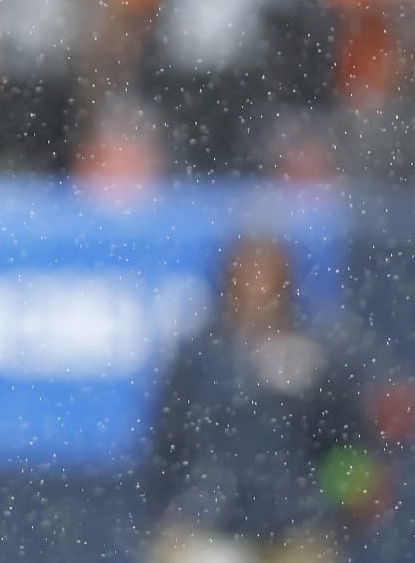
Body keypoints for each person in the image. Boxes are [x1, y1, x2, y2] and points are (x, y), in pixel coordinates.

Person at [146, 233, 373, 563]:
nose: (257, 286)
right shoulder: (202, 354)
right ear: (229, 280)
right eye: (248, 274)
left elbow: (344, 439)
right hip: (209, 521)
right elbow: (169, 440)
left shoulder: (314, 352)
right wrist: (175, 511)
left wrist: (341, 499)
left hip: (297, 524)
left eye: (268, 274)